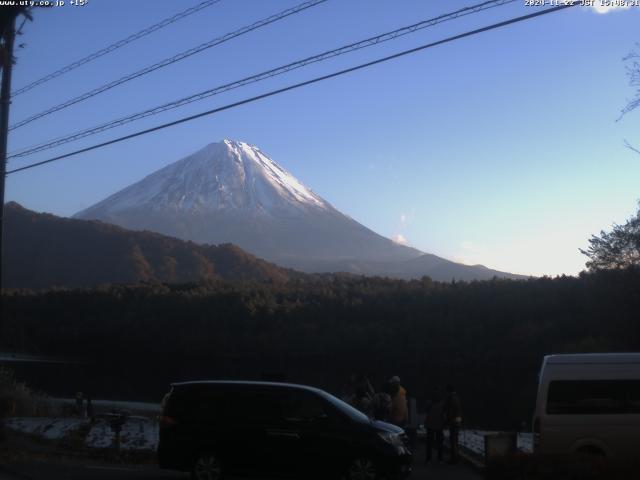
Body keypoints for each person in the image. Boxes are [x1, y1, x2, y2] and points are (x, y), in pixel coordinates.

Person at [424, 388, 446, 464]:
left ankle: (428, 459)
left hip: (430, 424)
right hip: (439, 424)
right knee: (440, 443)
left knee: (429, 443)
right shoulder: (443, 404)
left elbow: (426, 410)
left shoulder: (429, 403)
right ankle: (440, 459)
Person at [444, 384, 462, 464]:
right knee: (456, 440)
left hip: (453, 421)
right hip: (458, 420)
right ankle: (457, 457)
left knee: (453, 440)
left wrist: (447, 421)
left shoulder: (451, 398)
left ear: (449, 391)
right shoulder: (456, 397)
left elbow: (450, 411)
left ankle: (454, 458)